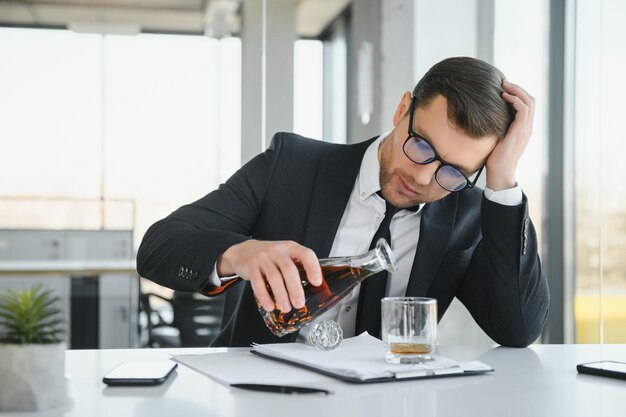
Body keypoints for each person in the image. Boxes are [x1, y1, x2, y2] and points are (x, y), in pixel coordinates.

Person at [137, 57, 550, 348]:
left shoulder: (470, 212)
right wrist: (238, 253)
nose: (423, 178)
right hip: (256, 397)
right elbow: (159, 246)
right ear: (403, 109)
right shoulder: (292, 165)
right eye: (421, 145)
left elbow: (517, 328)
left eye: (454, 172)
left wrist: (503, 180)